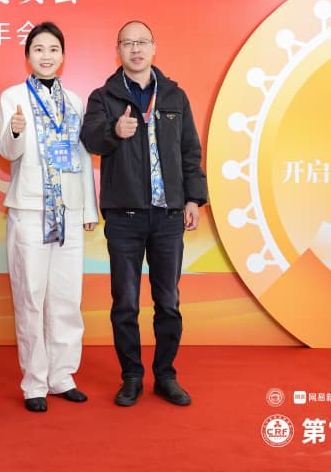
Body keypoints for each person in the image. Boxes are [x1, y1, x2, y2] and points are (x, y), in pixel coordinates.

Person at [80, 20, 208, 407]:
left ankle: (166, 375)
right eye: (127, 43)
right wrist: (113, 131)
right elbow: (89, 138)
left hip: (168, 216)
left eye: (142, 42)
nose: (135, 49)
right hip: (125, 217)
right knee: (125, 302)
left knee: (168, 301)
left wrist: (193, 198)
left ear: (154, 48)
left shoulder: (174, 95)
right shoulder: (103, 96)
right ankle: (132, 376)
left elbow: (190, 151)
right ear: (117, 50)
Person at [0, 22, 99, 413]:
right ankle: (35, 382)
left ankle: (62, 376)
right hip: (31, 209)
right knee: (31, 296)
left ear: (62, 56)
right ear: (28, 56)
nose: (46, 55)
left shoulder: (74, 101)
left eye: (53, 49)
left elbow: (83, 157)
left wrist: (88, 208)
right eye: (38, 49)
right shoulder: (13, 97)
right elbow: (8, 153)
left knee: (67, 297)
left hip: (69, 211)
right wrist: (15, 131)